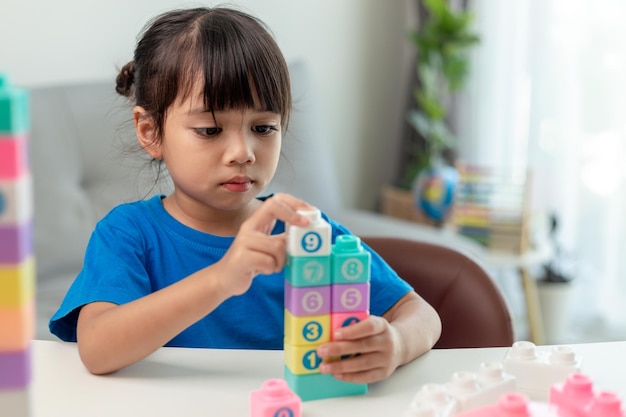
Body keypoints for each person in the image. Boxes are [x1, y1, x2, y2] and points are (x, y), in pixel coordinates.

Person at [49, 6, 441, 382]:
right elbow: (97, 349)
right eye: (210, 130)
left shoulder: (302, 231)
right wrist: (222, 278)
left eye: (264, 127)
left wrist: (396, 343)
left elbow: (419, 313)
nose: (243, 153)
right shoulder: (128, 234)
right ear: (151, 132)